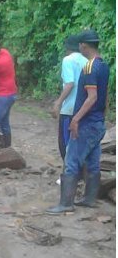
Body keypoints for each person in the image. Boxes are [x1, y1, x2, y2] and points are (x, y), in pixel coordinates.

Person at [46, 30, 109, 215]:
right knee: (92, 161)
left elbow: (92, 97)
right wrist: (102, 116)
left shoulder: (89, 67)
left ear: (83, 45)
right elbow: (104, 97)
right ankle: (90, 199)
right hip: (97, 122)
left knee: (71, 160)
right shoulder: (103, 64)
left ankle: (66, 203)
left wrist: (75, 119)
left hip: (87, 123)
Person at [51, 35, 88, 161]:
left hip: (69, 109)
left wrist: (58, 102)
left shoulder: (68, 60)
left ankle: (68, 176)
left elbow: (70, 84)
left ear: (67, 48)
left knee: (65, 143)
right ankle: (80, 174)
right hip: (84, 108)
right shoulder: (87, 61)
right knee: (79, 143)